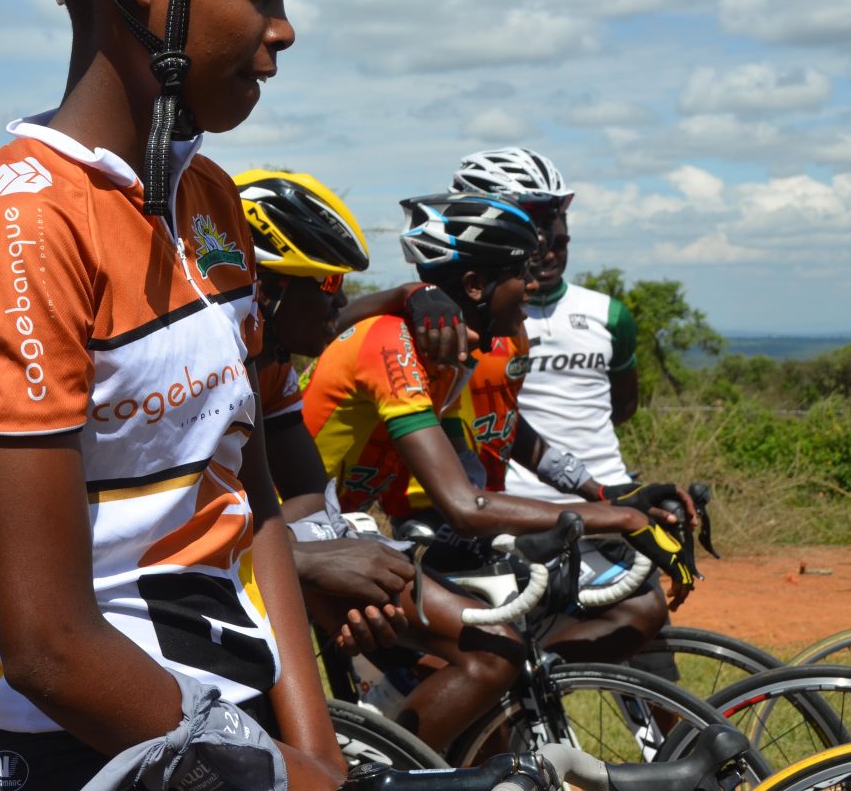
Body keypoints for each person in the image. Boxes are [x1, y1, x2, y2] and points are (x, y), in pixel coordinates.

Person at [0, 0, 343, 791]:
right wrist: (279, 777)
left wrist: (314, 748)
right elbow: (50, 642)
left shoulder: (206, 198)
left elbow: (248, 507)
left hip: (235, 730)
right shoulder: (23, 220)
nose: (283, 29)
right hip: (89, 746)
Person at [302, 192, 693, 636]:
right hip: (302, 532)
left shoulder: (451, 356)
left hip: (336, 526)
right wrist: (621, 518)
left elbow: (475, 464)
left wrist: (604, 495)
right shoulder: (394, 342)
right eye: (520, 272)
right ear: (474, 286)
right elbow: (465, 505)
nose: (532, 284)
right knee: (488, 660)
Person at [235, 169, 525, 754]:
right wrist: (308, 566)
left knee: (494, 647)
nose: (341, 302)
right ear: (267, 290)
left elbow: (305, 492)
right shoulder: (210, 371)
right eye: (326, 284)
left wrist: (319, 561)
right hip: (198, 579)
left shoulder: (273, 364)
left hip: (287, 545)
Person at [449, 147, 695, 659]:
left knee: (648, 649)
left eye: (556, 229)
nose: (546, 243)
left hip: (601, 499)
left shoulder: (605, 315)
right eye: (534, 228)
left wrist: (604, 489)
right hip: (508, 514)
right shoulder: (462, 325)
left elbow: (611, 408)